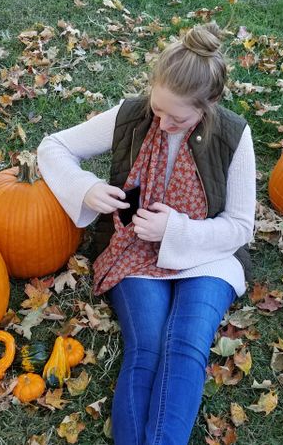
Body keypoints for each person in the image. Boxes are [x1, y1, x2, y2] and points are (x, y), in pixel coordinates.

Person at [37, 22, 256, 445]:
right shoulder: (132, 116)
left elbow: (240, 227)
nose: (164, 122)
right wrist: (87, 187)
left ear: (209, 104)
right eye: (158, 110)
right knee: (147, 349)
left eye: (179, 117)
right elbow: (53, 147)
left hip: (209, 256)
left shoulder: (233, 135)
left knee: (187, 347)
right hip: (133, 250)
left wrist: (175, 229)